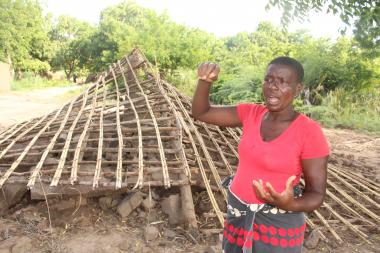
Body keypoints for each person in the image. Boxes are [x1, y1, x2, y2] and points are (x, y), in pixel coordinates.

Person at [191, 57, 329, 253]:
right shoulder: (251, 113)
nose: (273, 86)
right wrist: (205, 81)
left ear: (298, 89)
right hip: (238, 214)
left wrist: (290, 203)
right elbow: (201, 112)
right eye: (269, 79)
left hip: (278, 223)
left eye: (283, 82)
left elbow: (316, 194)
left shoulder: (309, 131)